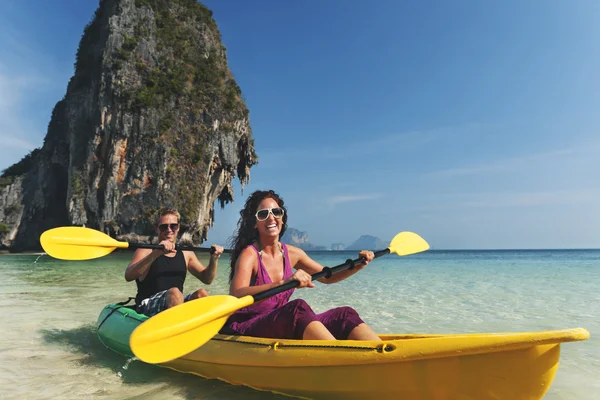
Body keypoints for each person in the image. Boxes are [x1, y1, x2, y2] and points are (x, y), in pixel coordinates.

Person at [220, 190, 381, 341]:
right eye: (263, 214)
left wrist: (359, 265)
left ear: (282, 218)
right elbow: (236, 294)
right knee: (297, 308)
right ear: (255, 223)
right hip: (246, 327)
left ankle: (380, 354)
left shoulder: (293, 253)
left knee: (344, 314)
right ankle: (340, 358)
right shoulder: (250, 254)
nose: (271, 218)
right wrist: (284, 283)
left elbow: (328, 276)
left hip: (279, 324)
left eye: (276, 212)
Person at [125, 208, 224, 317]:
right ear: (157, 229)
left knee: (202, 294)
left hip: (175, 302)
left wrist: (214, 259)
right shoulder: (146, 251)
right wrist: (156, 253)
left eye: (173, 226)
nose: (169, 229)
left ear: (178, 228)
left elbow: (207, 279)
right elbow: (128, 276)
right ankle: (180, 330)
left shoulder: (187, 253)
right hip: (148, 304)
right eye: (164, 227)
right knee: (175, 293)